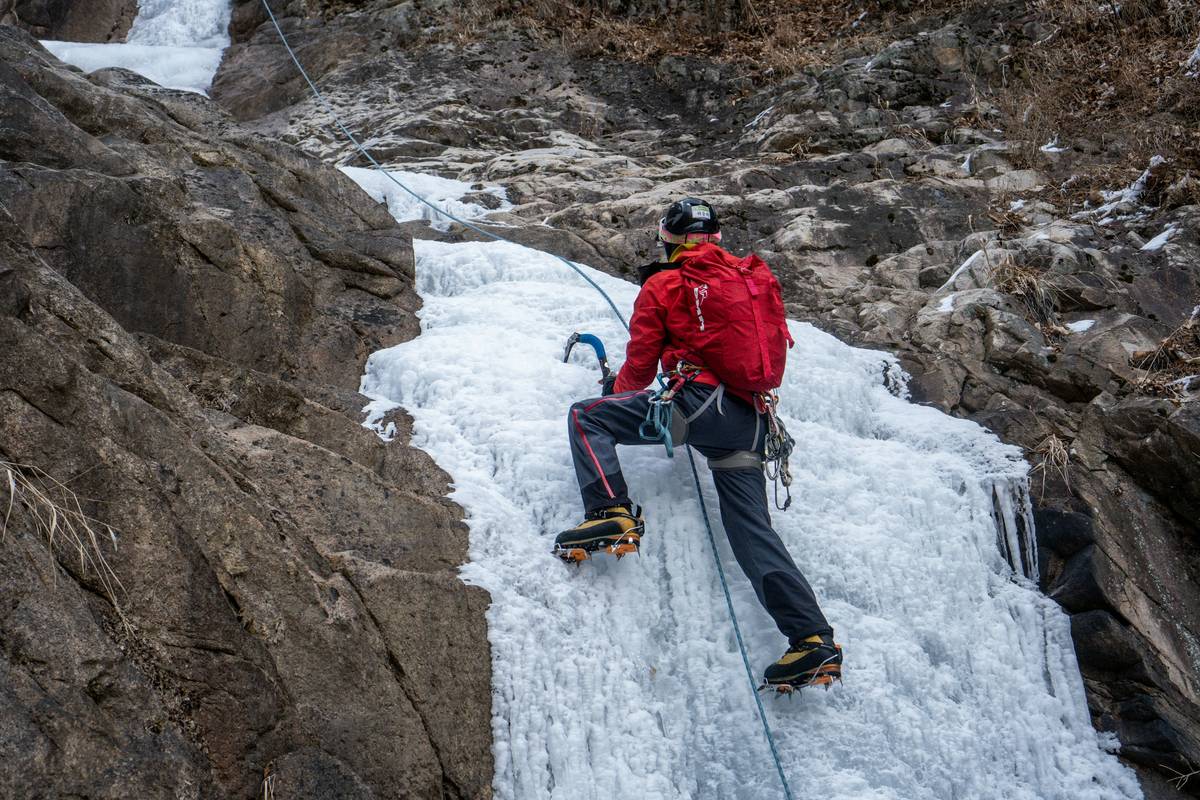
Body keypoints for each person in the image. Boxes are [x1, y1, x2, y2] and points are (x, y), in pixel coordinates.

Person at [554, 197, 842, 691]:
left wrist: (617, 394)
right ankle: (812, 640)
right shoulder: (749, 280)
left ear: (667, 237)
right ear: (717, 239)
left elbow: (641, 364)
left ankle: (610, 512)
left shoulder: (666, 283)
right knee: (753, 533)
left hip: (699, 406)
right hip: (751, 419)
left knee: (587, 417)